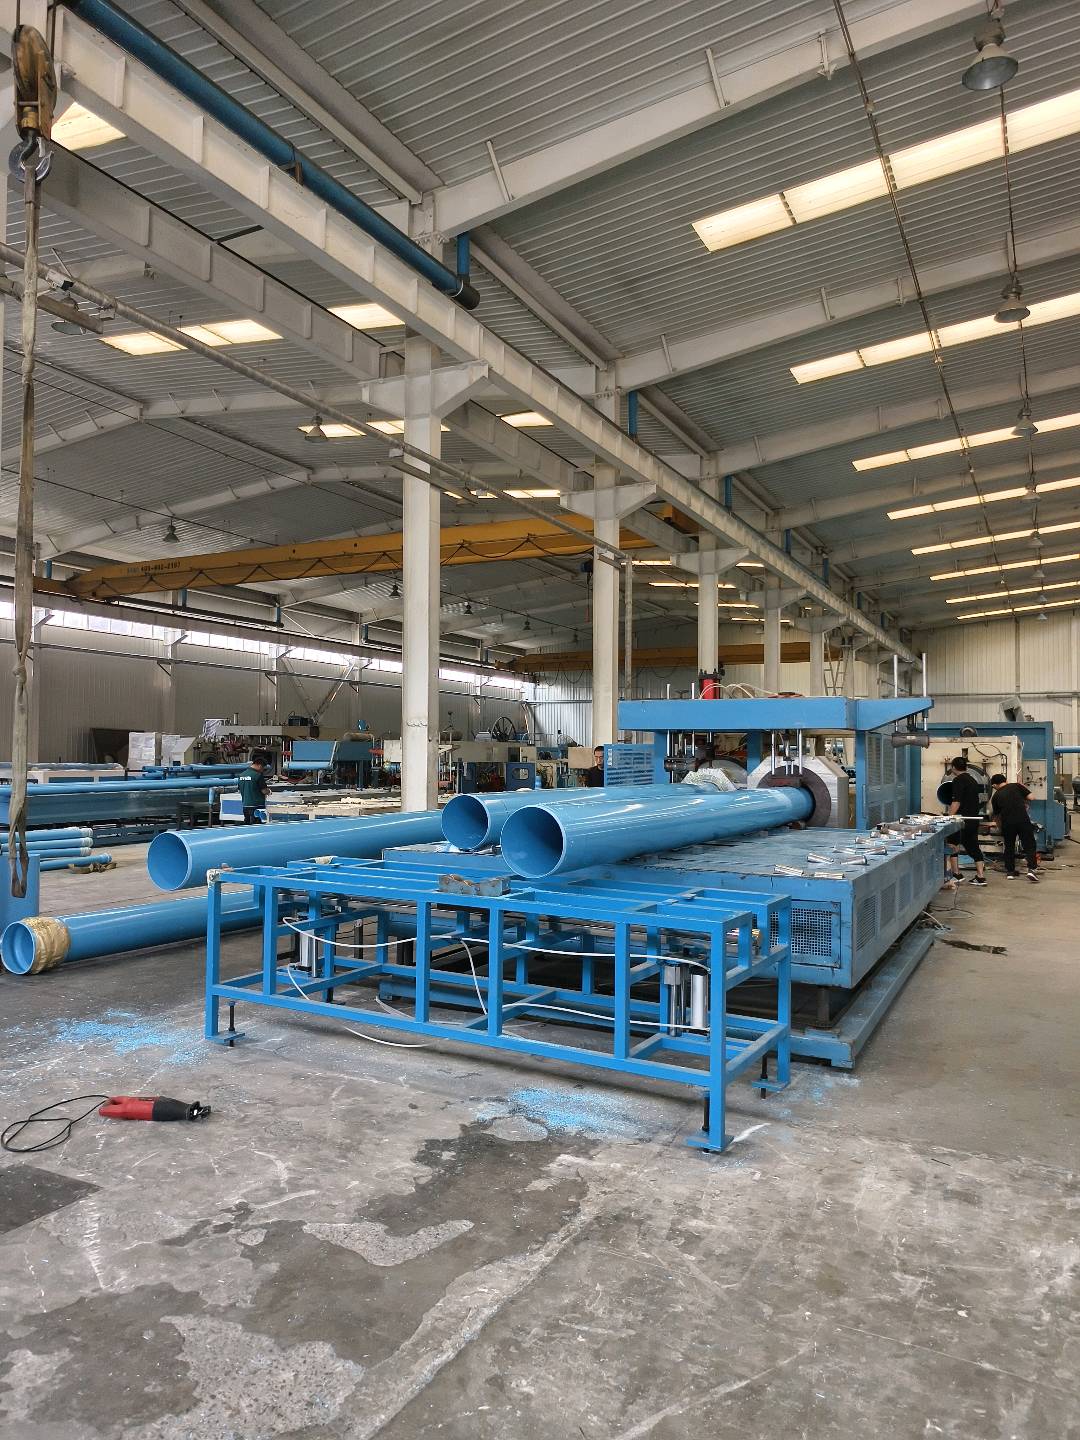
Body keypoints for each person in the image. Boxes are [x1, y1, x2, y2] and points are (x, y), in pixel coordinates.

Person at [990, 773, 1039, 882]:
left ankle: (1010, 872)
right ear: (1005, 780)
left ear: (994, 785)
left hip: (1008, 823)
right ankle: (1031, 870)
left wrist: (999, 827)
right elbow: (1032, 797)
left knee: (1009, 846)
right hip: (1022, 820)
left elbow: (997, 816)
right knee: (1029, 845)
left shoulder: (995, 796)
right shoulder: (1016, 786)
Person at [946, 755, 987, 886]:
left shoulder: (958, 780)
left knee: (952, 845)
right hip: (972, 818)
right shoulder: (972, 779)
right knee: (973, 846)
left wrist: (948, 817)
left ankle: (956, 874)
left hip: (961, 820)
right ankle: (980, 877)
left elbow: (956, 801)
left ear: (953, 767)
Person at [238, 752, 270, 823]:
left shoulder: (241, 775)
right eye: (263, 768)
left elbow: (240, 790)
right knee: (257, 825)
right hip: (257, 806)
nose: (262, 770)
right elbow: (264, 791)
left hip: (245, 805)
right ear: (260, 766)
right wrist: (269, 791)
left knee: (247, 824)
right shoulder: (258, 775)